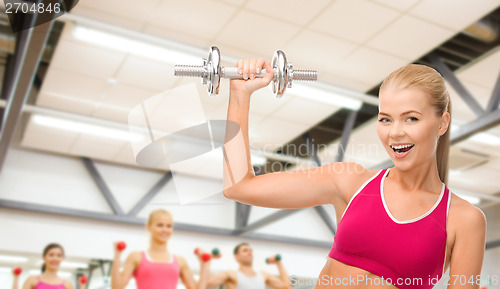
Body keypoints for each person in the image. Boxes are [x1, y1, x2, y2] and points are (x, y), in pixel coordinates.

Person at [222, 60, 486, 289]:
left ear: (442, 122)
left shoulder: (463, 219)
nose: (394, 132)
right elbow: (238, 187)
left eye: (411, 118)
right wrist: (239, 93)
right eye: (385, 119)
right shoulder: (349, 181)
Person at [110, 209, 210, 289]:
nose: (164, 230)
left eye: (168, 226)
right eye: (159, 225)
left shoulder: (180, 261)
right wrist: (117, 254)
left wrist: (204, 264)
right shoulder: (136, 257)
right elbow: (117, 287)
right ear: (149, 227)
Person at [207, 242, 291, 289]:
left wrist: (279, 264)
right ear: (236, 256)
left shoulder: (263, 275)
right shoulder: (230, 274)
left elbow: (286, 287)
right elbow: (207, 283)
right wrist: (209, 258)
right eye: (245, 250)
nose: (249, 252)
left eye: (250, 250)